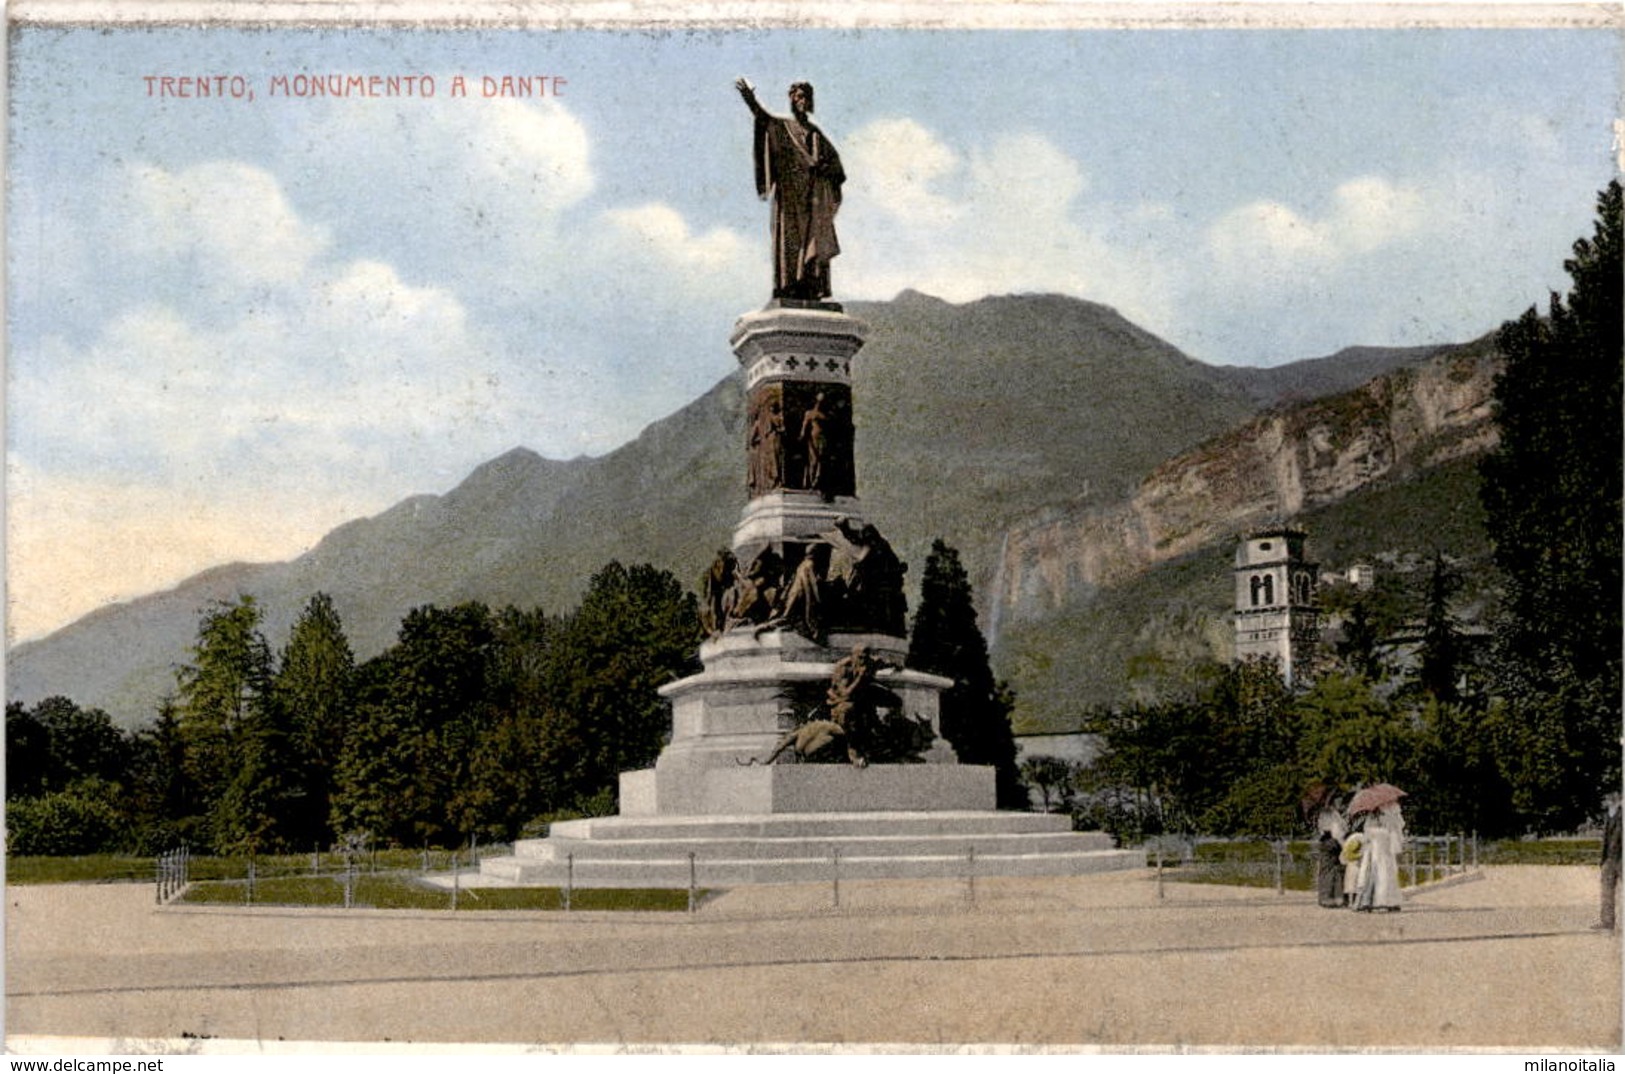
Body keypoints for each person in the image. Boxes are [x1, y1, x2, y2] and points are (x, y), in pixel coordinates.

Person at [736, 77, 845, 302]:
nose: (802, 101)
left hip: (812, 199)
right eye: (798, 97)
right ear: (792, 101)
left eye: (805, 97)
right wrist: (750, 99)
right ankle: (788, 287)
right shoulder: (783, 127)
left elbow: (837, 168)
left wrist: (822, 168)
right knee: (789, 242)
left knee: (813, 245)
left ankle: (811, 288)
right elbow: (763, 119)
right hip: (790, 197)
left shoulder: (815, 134)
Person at [1354, 810, 1403, 912]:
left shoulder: (1370, 829)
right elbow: (1393, 838)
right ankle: (1387, 901)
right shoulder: (1386, 828)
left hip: (1376, 853)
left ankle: (1372, 901)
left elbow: (1365, 840)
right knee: (1385, 876)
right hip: (1383, 854)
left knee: (1376, 877)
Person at [1314, 803, 1348, 909]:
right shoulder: (1334, 817)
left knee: (1326, 871)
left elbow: (1321, 830)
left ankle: (1325, 897)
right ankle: (1336, 897)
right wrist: (1343, 845)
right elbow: (1337, 833)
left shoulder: (1322, 817)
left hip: (1324, 843)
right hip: (1332, 843)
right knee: (1335, 871)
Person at [1597, 792, 1621, 931]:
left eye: (1605, 799)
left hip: (1621, 858)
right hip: (1609, 859)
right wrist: (1603, 859)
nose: (1603, 802)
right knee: (1607, 890)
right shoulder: (1608, 815)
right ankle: (1607, 922)